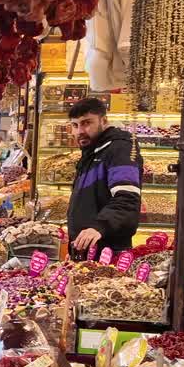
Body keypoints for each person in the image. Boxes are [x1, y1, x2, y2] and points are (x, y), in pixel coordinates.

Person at [67, 97, 143, 256]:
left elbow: (127, 198)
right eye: (75, 125)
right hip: (87, 249)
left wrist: (99, 226)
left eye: (87, 123)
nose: (80, 131)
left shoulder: (120, 149)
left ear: (104, 121)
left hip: (108, 252)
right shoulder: (92, 151)